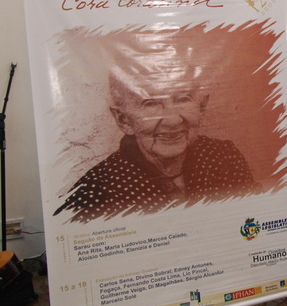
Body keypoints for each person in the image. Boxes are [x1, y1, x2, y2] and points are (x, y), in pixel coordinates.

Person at [54, 61, 258, 223]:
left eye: (183, 99)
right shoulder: (92, 195)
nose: (173, 120)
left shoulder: (224, 157)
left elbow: (253, 220)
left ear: (201, 107)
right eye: (150, 103)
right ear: (123, 120)